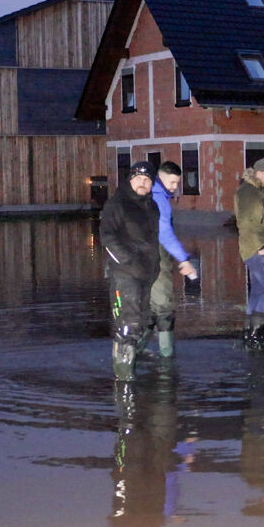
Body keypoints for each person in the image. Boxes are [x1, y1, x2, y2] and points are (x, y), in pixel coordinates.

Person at [100, 161, 161, 377]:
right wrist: (126, 260)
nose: (142, 183)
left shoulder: (152, 207)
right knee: (128, 326)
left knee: (142, 322)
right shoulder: (117, 204)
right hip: (124, 275)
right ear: (130, 179)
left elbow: (153, 240)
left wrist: (156, 265)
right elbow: (107, 236)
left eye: (147, 180)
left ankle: (130, 368)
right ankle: (124, 383)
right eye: (138, 179)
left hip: (146, 274)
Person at [148, 161, 198, 358]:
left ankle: (138, 352)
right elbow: (165, 233)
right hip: (155, 256)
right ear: (160, 178)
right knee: (164, 307)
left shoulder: (150, 194)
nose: (175, 187)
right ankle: (167, 359)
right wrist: (184, 260)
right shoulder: (159, 198)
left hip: (143, 256)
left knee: (150, 307)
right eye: (172, 182)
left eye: (177, 183)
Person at [234, 157, 264, 348]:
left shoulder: (251, 191)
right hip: (256, 249)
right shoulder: (249, 193)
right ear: (258, 174)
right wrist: (260, 247)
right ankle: (255, 335)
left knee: (258, 291)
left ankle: (248, 332)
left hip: (253, 248)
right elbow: (246, 222)